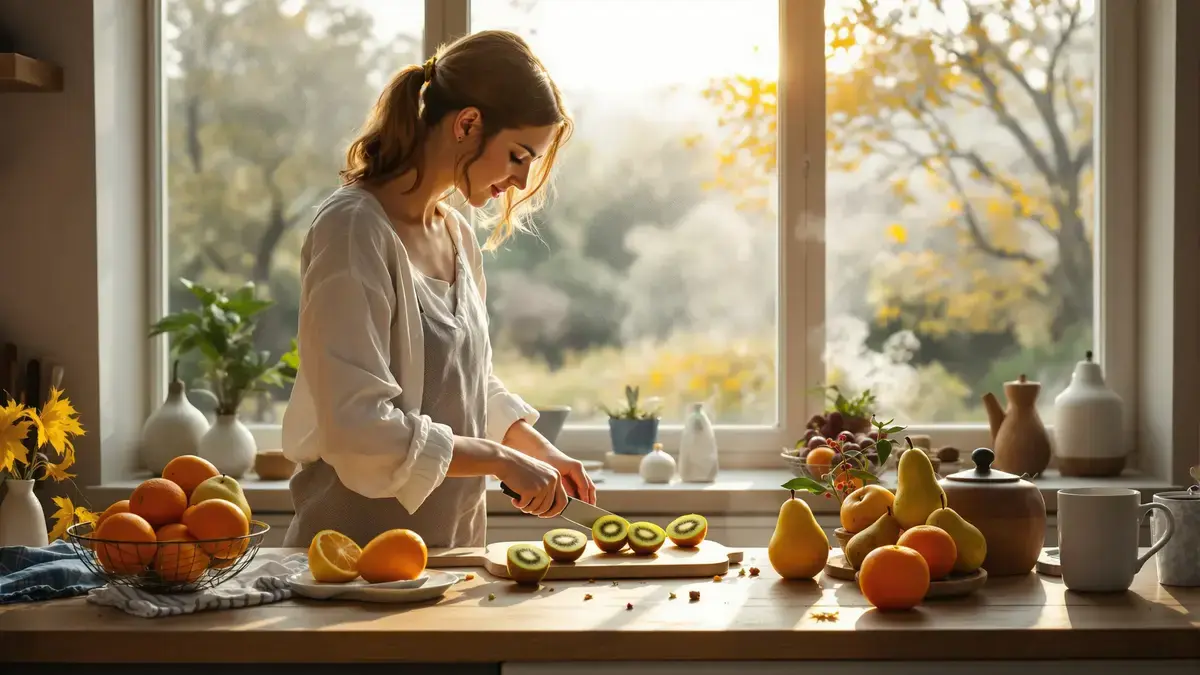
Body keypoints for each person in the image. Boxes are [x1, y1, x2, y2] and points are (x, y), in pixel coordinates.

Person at [280, 30, 595, 550]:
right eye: (518, 155)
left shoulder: (455, 233)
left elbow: (467, 384)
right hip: (350, 567)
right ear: (468, 124)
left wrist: (535, 449)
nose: (520, 181)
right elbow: (357, 427)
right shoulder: (353, 229)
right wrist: (499, 459)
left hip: (450, 558)